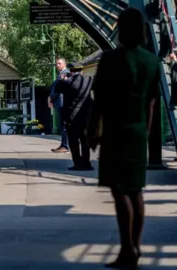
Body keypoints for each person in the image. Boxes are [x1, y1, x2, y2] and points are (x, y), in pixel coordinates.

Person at [87, 7, 160, 269]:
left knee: (119, 192)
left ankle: (127, 249)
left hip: (115, 132)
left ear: (121, 29)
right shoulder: (152, 62)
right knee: (136, 190)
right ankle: (136, 245)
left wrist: (93, 131)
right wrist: (146, 131)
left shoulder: (110, 60)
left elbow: (100, 102)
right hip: (139, 130)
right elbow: (152, 103)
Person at [54, 63, 93, 170]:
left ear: (71, 71)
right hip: (85, 117)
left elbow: (57, 88)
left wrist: (61, 79)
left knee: (74, 142)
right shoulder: (89, 80)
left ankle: (78, 164)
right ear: (82, 70)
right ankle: (86, 163)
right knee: (85, 141)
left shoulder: (68, 82)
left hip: (72, 117)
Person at [48, 58, 70, 153]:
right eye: (56, 64)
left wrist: (51, 99)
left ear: (64, 64)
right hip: (60, 102)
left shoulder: (64, 74)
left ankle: (65, 146)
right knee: (63, 124)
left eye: (59, 63)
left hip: (62, 102)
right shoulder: (61, 74)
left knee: (64, 124)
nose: (57, 65)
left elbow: (58, 89)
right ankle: (64, 145)